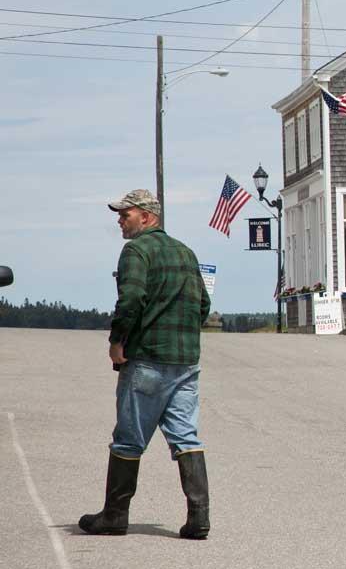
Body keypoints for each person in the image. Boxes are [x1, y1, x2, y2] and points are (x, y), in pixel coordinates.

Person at [79, 190, 212, 540]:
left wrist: (117, 341)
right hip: (186, 361)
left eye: (126, 214)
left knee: (128, 438)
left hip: (147, 360)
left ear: (148, 217)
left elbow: (132, 298)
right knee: (186, 437)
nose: (120, 220)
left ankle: (115, 515)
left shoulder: (136, 250)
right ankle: (199, 518)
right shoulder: (186, 252)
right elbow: (203, 303)